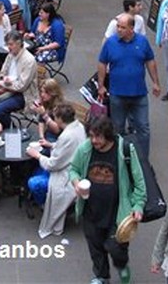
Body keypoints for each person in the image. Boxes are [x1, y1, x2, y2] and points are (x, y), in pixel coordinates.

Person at [69, 116, 147, 284]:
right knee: (95, 247)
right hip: (91, 210)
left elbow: (139, 181)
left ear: (108, 135)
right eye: (91, 135)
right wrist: (76, 183)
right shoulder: (85, 149)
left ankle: (122, 265)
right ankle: (102, 277)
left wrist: (138, 205)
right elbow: (73, 169)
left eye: (98, 136)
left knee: (116, 248)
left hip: (117, 212)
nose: (94, 140)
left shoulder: (125, 149)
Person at [97, 14, 161, 162]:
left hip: (139, 94)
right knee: (118, 128)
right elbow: (102, 63)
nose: (118, 29)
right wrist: (101, 86)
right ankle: (119, 158)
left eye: (122, 27)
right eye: (118, 26)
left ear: (131, 28)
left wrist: (156, 82)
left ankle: (143, 160)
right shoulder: (110, 43)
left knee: (143, 128)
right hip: (117, 95)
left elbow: (150, 61)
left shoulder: (142, 42)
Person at [26, 102, 86, 239]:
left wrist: (37, 155)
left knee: (34, 182)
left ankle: (43, 204)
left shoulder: (67, 136)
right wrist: (51, 145)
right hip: (76, 167)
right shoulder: (78, 127)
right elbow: (67, 148)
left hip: (67, 175)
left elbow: (52, 165)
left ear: (59, 119)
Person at [0, 31, 38, 129]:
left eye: (11, 44)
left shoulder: (29, 60)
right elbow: (2, 73)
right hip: (8, 89)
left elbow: (21, 86)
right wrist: (4, 79)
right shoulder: (10, 55)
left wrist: (3, 84)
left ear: (19, 43)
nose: (8, 47)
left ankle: (12, 130)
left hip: (23, 95)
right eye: (7, 44)